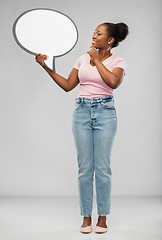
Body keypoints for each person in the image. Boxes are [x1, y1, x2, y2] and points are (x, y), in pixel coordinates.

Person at [35, 22, 129, 234]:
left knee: (103, 168)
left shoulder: (118, 61)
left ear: (110, 40)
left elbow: (113, 82)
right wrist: (46, 66)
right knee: (85, 168)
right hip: (81, 111)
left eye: (99, 33)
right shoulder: (82, 58)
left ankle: (102, 218)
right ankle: (86, 217)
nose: (94, 36)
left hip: (105, 112)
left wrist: (97, 60)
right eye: (94, 33)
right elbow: (69, 85)